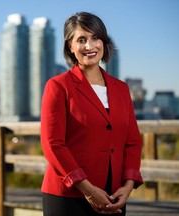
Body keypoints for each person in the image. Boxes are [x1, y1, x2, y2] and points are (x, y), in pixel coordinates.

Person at [40, 11, 143, 216]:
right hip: (68, 196)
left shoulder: (121, 89)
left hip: (114, 196)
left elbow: (132, 142)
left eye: (95, 38)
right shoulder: (58, 86)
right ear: (70, 46)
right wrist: (88, 189)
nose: (90, 46)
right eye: (81, 40)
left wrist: (128, 186)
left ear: (104, 42)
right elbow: (53, 144)